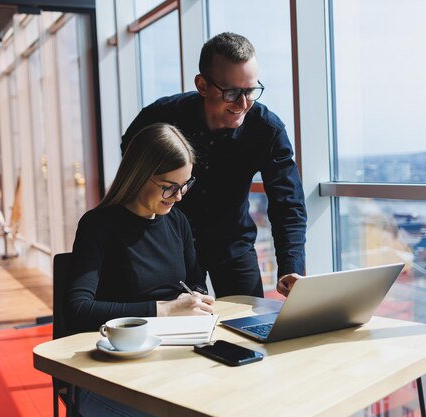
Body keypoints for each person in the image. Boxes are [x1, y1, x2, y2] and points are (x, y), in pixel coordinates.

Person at [122, 32, 307, 298]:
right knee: (175, 332)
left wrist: (291, 267)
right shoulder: (160, 117)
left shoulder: (267, 130)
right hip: (169, 245)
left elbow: (287, 203)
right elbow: (132, 168)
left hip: (232, 245)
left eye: (251, 91)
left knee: (248, 329)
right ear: (202, 85)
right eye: (231, 92)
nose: (243, 104)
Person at [65, 123, 214, 416]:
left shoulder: (177, 221)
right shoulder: (98, 226)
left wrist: (195, 299)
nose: (179, 196)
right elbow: (77, 309)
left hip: (172, 359)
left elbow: (196, 280)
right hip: (113, 371)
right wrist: (166, 310)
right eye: (170, 187)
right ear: (139, 175)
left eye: (185, 185)